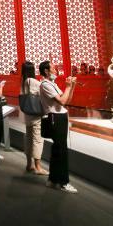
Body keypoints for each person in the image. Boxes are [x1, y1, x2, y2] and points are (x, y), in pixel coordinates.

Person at [39, 61, 78, 193]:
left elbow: (67, 101)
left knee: (58, 149)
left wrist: (71, 86)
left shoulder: (52, 84)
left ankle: (53, 179)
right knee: (61, 150)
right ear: (46, 71)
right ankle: (63, 182)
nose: (56, 70)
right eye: (54, 68)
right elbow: (61, 101)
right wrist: (67, 86)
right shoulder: (45, 84)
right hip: (55, 118)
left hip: (60, 117)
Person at [20, 61, 46, 175]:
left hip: (27, 114)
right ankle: (38, 167)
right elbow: (43, 92)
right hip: (36, 114)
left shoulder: (23, 81)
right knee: (37, 140)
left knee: (29, 139)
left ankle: (29, 164)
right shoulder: (34, 81)